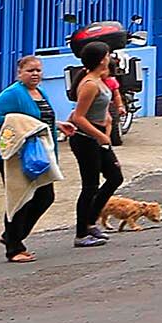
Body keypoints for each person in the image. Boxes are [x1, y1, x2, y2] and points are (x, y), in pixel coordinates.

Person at [0, 53, 61, 263]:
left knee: (45, 196)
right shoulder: (12, 94)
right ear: (20, 73)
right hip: (15, 155)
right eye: (30, 70)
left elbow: (41, 120)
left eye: (38, 70)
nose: (35, 74)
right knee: (21, 197)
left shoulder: (40, 92)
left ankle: (12, 235)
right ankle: (14, 248)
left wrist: (60, 125)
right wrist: (22, 128)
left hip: (39, 154)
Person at [64, 36, 124, 247]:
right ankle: (81, 233)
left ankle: (91, 221)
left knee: (115, 177)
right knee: (90, 186)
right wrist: (100, 136)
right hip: (86, 139)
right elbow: (78, 116)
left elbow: (100, 108)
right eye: (107, 55)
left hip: (99, 135)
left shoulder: (101, 79)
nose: (109, 58)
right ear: (101, 59)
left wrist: (107, 122)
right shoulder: (89, 84)